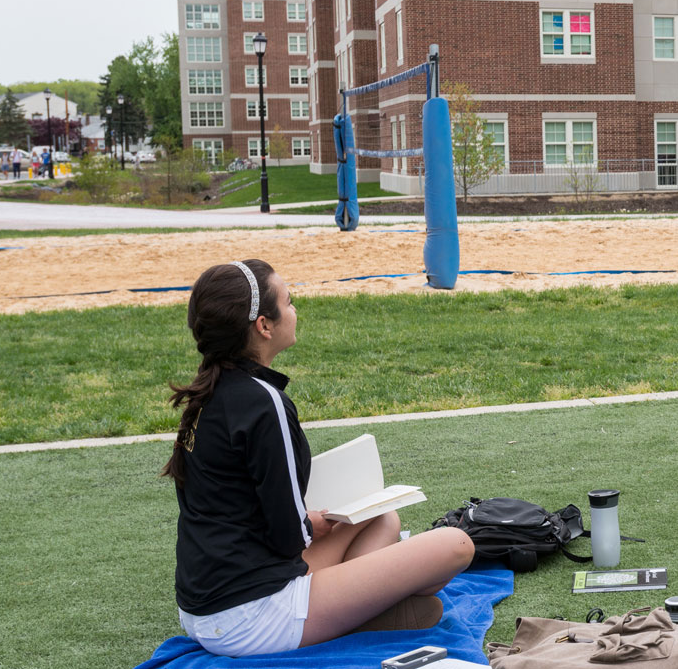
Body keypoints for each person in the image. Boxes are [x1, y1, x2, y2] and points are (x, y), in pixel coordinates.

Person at [164, 259, 474, 657]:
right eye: (289, 302)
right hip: (252, 615)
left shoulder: (211, 390)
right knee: (455, 546)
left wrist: (310, 524)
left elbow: (236, 511)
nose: (295, 310)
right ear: (264, 325)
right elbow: (287, 536)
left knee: (382, 518)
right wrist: (306, 526)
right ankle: (361, 614)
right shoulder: (263, 402)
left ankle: (355, 606)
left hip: (209, 606)